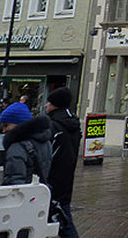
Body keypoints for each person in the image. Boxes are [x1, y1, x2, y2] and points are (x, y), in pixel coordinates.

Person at [46, 87, 82, 238]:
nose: (46, 105)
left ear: (55, 104)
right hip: (67, 177)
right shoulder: (73, 124)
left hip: (53, 179)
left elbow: (48, 154)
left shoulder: (54, 125)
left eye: (49, 102)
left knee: (62, 220)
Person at [0, 101, 51, 185]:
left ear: (19, 125)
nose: (4, 130)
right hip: (39, 194)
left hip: (23, 196)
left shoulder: (16, 147)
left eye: (6, 125)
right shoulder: (45, 141)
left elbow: (14, 184)